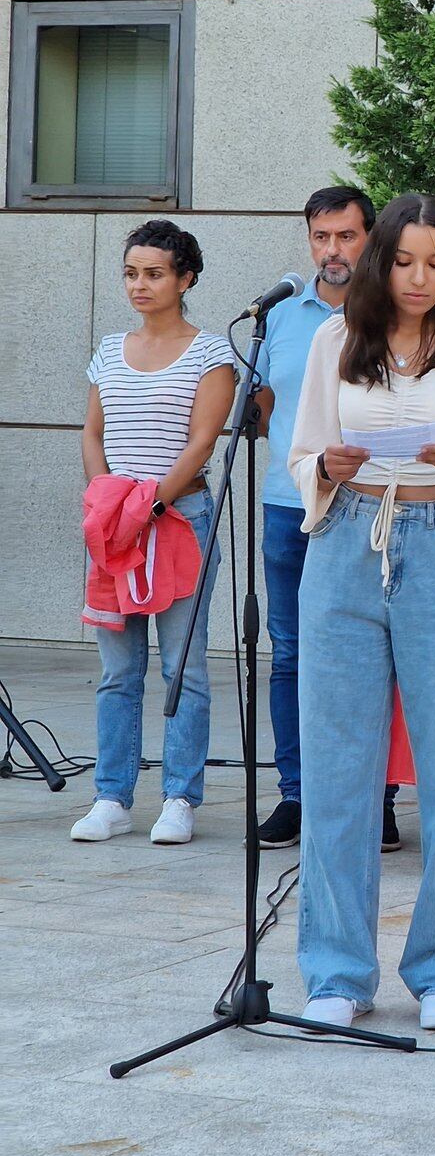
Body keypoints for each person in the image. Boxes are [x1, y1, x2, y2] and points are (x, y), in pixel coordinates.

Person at [288, 194, 435, 1032]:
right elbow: (301, 454)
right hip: (346, 545)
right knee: (338, 766)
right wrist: (329, 464)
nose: (419, 278)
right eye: (404, 261)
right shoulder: (331, 338)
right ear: (380, 260)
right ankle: (338, 970)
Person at [249, 186, 407, 852]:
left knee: (376, 655)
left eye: (345, 236)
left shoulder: (396, 311)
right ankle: (298, 795)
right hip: (291, 508)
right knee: (289, 654)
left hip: (370, 509)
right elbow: (260, 406)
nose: (332, 250)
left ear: (370, 238)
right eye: (321, 237)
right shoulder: (281, 314)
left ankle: (379, 799)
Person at [71, 221, 238, 846]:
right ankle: (111, 796)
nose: (139, 285)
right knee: (118, 670)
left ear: (185, 278)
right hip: (115, 524)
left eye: (154, 273)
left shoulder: (210, 353)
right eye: (131, 273)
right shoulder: (109, 349)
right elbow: (92, 430)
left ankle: (179, 797)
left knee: (184, 669)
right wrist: (107, 499)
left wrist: (150, 502)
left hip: (179, 520)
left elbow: (202, 442)